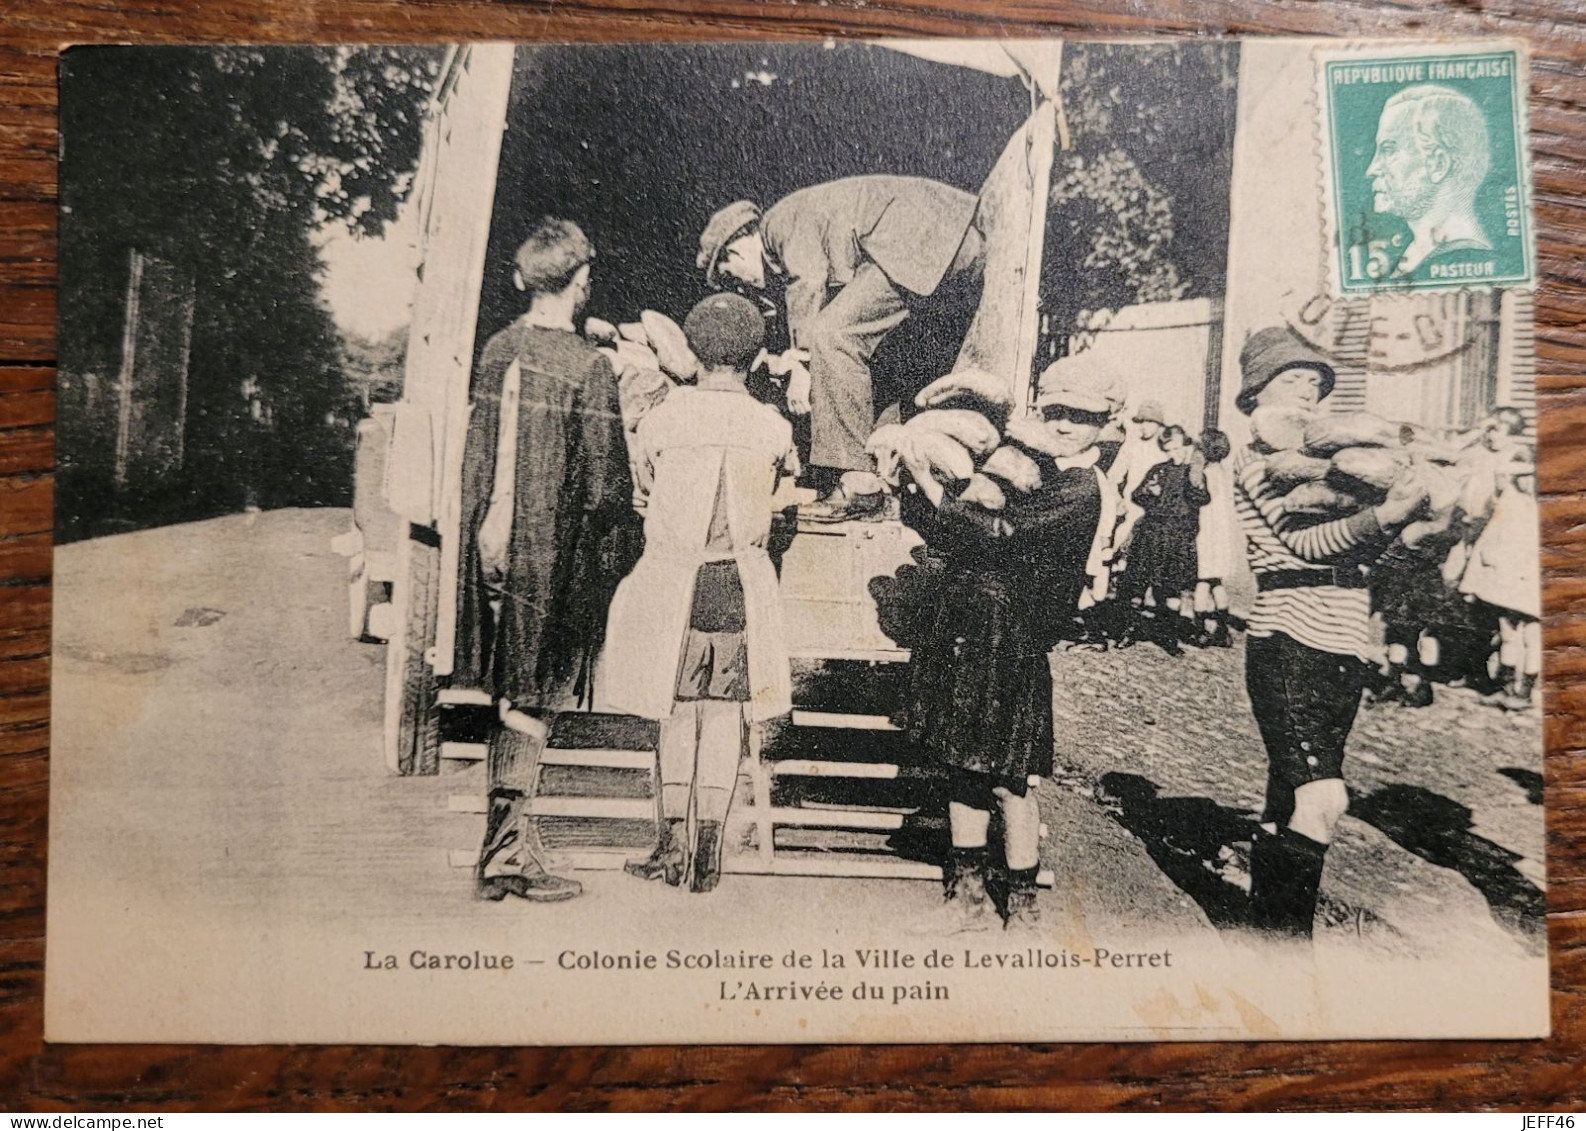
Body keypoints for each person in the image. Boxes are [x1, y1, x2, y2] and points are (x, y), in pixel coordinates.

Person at [453, 217, 641, 903]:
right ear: (583, 282)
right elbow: (604, 487)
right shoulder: (589, 367)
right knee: (534, 700)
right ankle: (504, 856)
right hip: (546, 554)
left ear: (521, 280)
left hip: (490, 545)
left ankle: (505, 846)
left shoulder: (497, 349)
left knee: (511, 698)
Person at [902, 358, 1117, 930]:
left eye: (1083, 416)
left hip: (1014, 639)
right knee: (963, 766)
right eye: (1057, 412)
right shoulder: (1034, 464)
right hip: (974, 629)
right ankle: (967, 897)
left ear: (1106, 421)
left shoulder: (1078, 488)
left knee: (1011, 779)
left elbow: (1000, 534)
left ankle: (1022, 905)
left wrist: (932, 491)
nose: (1067, 425)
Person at [1232, 326, 1428, 939]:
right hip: (1290, 638)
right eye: (1294, 382)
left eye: (1317, 386)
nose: (1308, 396)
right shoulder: (1258, 463)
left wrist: (1414, 526)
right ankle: (1287, 955)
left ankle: (1267, 939)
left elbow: (1371, 562)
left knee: (1290, 797)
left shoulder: (1334, 474)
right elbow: (1303, 544)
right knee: (1324, 799)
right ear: (1260, 391)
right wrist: (1386, 516)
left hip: (1344, 646)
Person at [604, 293, 800, 893]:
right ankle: (710, 849)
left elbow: (642, 492)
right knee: (724, 714)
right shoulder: (773, 426)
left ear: (693, 349)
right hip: (736, 583)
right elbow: (784, 499)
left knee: (676, 710)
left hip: (674, 581)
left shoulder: (663, 419)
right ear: (755, 355)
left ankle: (670, 844)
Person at [697, 176, 986, 517]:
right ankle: (884, 473)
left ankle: (856, 482)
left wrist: (802, 364)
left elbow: (808, 283)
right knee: (862, 355)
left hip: (925, 244)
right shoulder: (800, 220)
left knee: (832, 337)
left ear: (737, 246)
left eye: (731, 274)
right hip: (946, 244)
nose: (741, 285)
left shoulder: (779, 223)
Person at [1365, 83, 1494, 279]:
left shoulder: (1458, 258)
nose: (1372, 170)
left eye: (1388, 150)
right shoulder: (1416, 256)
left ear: (1438, 164)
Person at [1457, 445, 1540, 711]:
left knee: (1515, 634)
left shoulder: (1512, 504)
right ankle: (1518, 692)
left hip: (1514, 580)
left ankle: (1513, 690)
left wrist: (1474, 578)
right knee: (1527, 634)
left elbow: (1489, 543)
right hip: (1528, 581)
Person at [1126, 425, 1210, 654]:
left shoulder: (1194, 472)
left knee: (1170, 590)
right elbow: (1136, 495)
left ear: (1186, 445)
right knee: (1139, 585)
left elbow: (1201, 499)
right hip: (1152, 534)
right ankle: (1129, 631)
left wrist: (1197, 479)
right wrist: (1148, 493)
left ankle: (1169, 638)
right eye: (1168, 449)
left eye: (1177, 447)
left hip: (1178, 538)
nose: (1173, 453)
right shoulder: (1159, 470)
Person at [1193, 428, 1239, 648]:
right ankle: (1223, 629)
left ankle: (1200, 629)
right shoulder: (1224, 473)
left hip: (1206, 532)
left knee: (1201, 581)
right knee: (1216, 582)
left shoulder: (1205, 474)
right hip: (1221, 534)